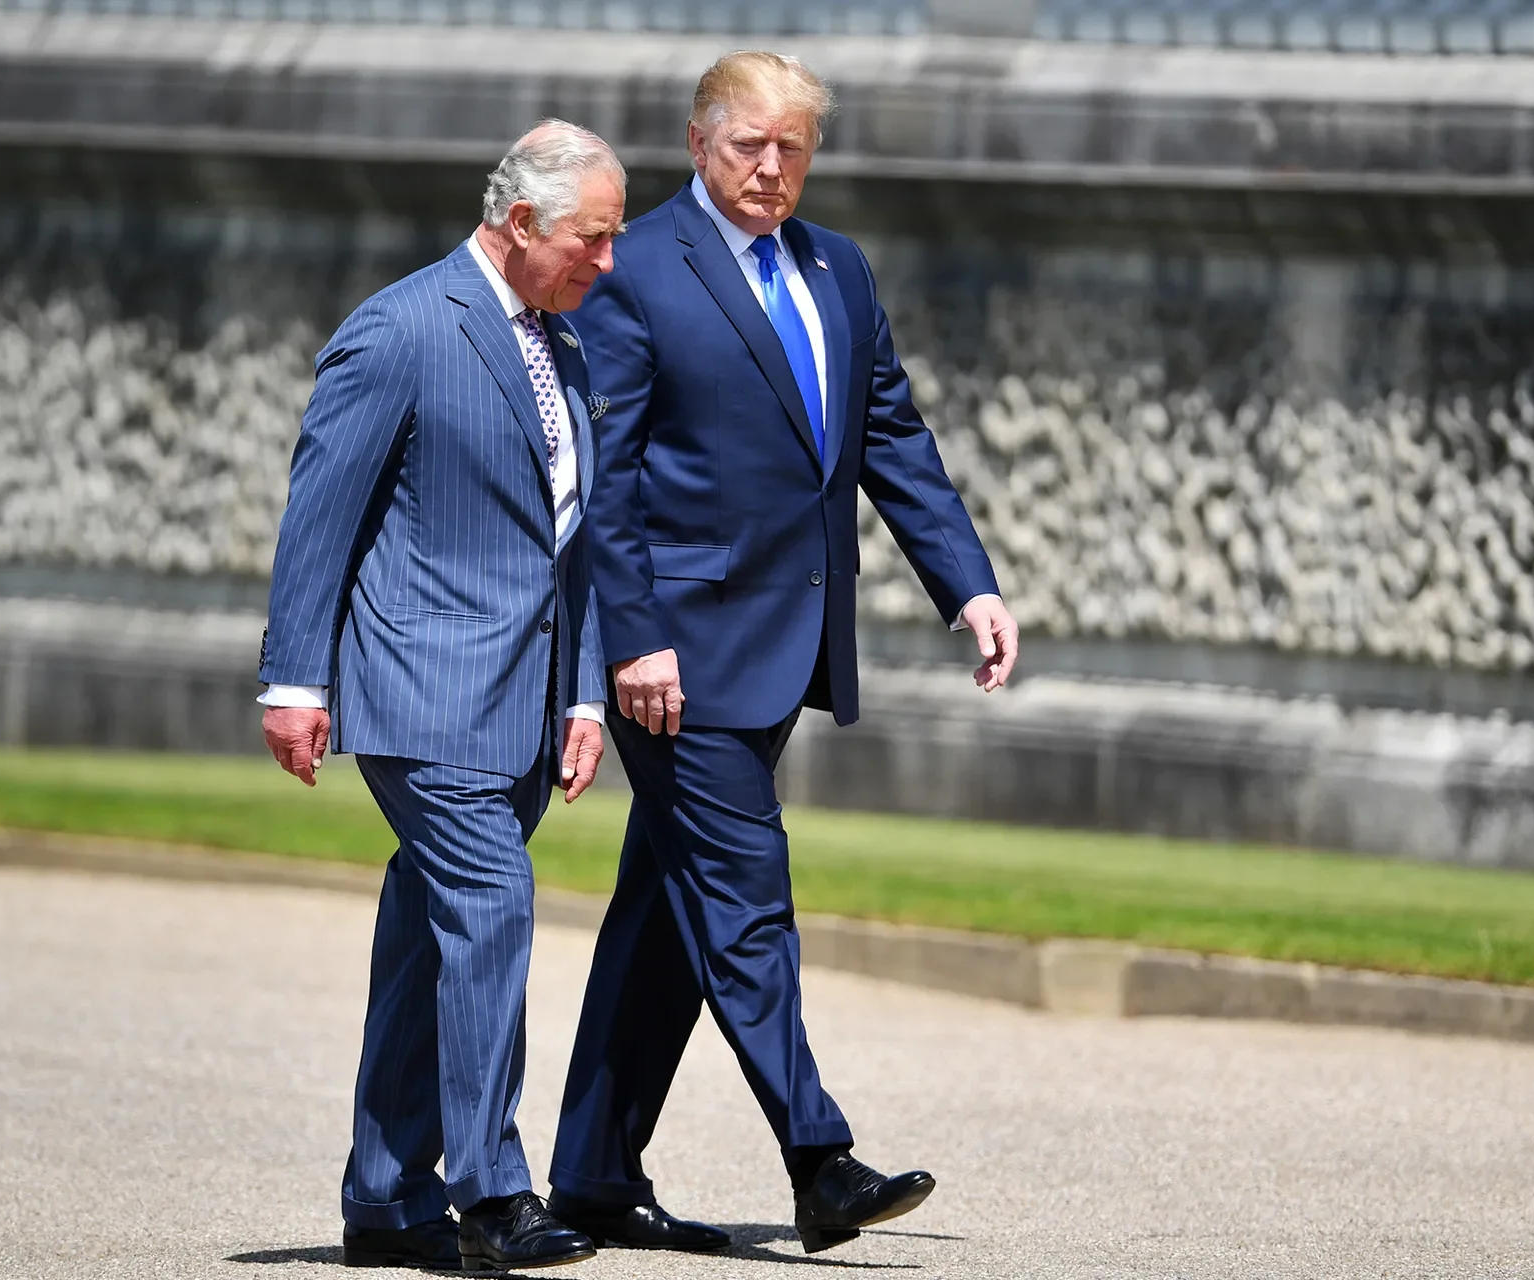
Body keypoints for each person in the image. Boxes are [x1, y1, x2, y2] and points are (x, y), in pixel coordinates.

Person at [547, 52, 1021, 1257]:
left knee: (669, 910)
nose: (771, 167)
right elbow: (607, 478)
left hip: (789, 642)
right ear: (698, 142)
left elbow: (891, 437)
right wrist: (633, 637)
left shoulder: (837, 268)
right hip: (678, 660)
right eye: (749, 143)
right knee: (747, 894)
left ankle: (593, 1176)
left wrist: (968, 585)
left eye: (792, 147)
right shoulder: (635, 268)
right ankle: (820, 1159)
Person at [257, 120, 624, 1272]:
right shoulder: (401, 327)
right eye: (592, 237)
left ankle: (384, 1197)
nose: (608, 260)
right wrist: (293, 678)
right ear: (519, 221)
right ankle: (492, 1191)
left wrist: (583, 697)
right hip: (424, 693)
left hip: (523, 703)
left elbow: (573, 543)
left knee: (429, 939)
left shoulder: (563, 348)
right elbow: (320, 515)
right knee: (492, 906)